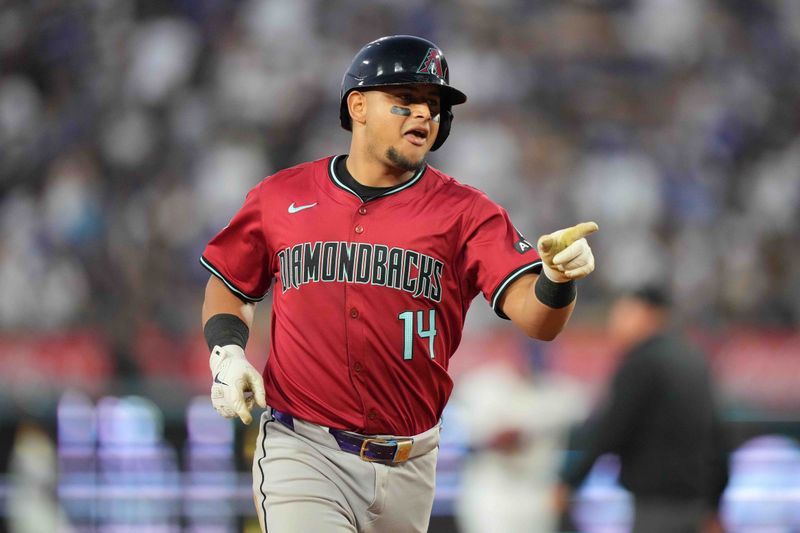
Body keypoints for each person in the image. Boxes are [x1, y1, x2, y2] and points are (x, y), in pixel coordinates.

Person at [200, 35, 598, 533]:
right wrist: (227, 353)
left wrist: (557, 279)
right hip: (305, 448)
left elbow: (538, 321)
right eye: (404, 101)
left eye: (432, 106)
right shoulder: (282, 195)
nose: (422, 116)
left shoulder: (467, 212)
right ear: (358, 106)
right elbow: (231, 284)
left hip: (413, 460)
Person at [557, 286, 730, 533]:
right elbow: (717, 437)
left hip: (655, 506)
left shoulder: (641, 361)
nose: (614, 323)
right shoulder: (694, 359)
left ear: (650, 314)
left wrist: (570, 482)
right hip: (698, 507)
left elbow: (611, 428)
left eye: (624, 313)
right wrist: (715, 507)